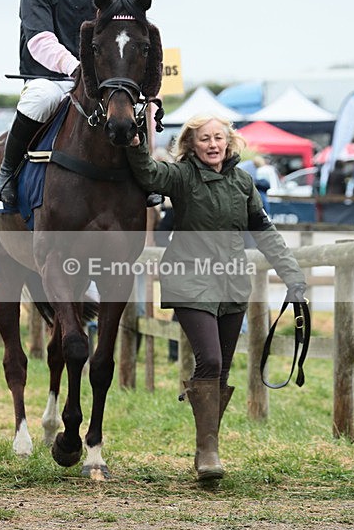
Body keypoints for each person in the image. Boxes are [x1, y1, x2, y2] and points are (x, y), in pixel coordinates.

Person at [126, 114, 307, 482]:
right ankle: (209, 450)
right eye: (204, 138)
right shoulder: (181, 176)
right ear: (192, 144)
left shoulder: (243, 182)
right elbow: (148, 174)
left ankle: (206, 447)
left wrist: (293, 277)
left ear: (229, 142)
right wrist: (135, 142)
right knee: (208, 359)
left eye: (218, 138)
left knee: (222, 367)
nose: (212, 144)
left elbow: (266, 233)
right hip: (189, 280)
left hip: (231, 284)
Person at [0, 0, 121, 206]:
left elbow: (118, 36)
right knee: (39, 98)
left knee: (130, 105)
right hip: (49, 79)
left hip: (95, 82)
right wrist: (78, 68)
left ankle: (144, 178)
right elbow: (40, 43)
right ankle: (7, 171)